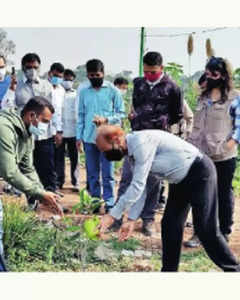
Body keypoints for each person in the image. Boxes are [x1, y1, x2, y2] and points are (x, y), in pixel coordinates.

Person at [97, 124, 240, 272]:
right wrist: (131, 219)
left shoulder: (140, 143)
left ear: (116, 139)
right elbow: (143, 186)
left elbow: (137, 186)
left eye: (105, 150)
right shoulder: (132, 155)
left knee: (205, 228)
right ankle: (169, 272)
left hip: (199, 172)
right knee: (170, 224)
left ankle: (234, 270)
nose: (105, 155)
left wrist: (112, 215)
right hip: (180, 180)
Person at [0, 96, 63, 271]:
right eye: (44, 121)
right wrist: (39, 193)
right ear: (31, 116)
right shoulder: (3, 128)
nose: (46, 126)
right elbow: (9, 172)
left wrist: (42, 193)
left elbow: (27, 168)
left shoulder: (26, 133)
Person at [111, 51, 183, 236]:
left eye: (153, 72)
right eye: (146, 71)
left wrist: (161, 124)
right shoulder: (139, 84)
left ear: (161, 68)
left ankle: (148, 219)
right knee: (127, 177)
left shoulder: (172, 87)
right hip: (136, 138)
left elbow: (177, 115)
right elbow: (136, 105)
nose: (149, 75)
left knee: (152, 182)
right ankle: (117, 218)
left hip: (158, 142)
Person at [185, 57, 239, 248]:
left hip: (223, 155)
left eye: (214, 74)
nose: (210, 77)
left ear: (224, 75)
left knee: (223, 194)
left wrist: (229, 145)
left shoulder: (234, 97)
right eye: (207, 73)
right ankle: (199, 233)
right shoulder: (203, 96)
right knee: (200, 194)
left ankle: (223, 232)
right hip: (201, 154)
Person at [76, 59, 125, 213]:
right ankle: (95, 202)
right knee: (92, 173)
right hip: (90, 138)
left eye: (97, 74)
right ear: (87, 75)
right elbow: (81, 115)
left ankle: (110, 203)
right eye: (91, 75)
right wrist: (79, 137)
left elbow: (121, 113)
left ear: (103, 73)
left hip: (109, 139)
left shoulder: (113, 91)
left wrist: (106, 120)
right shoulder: (84, 92)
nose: (94, 77)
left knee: (108, 174)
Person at [15, 53, 56, 196]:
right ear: (23, 68)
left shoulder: (46, 85)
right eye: (29, 67)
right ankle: (31, 196)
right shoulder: (16, 86)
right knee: (27, 166)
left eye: (35, 67)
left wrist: (55, 131)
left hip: (43, 133)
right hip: (24, 133)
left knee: (46, 165)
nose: (32, 70)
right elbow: (10, 106)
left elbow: (52, 110)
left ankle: (50, 193)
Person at [55, 68, 79, 190]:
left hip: (73, 131)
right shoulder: (56, 92)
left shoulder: (76, 94)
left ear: (73, 81)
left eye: (70, 80)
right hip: (59, 131)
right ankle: (59, 181)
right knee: (59, 157)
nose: (67, 82)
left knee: (74, 157)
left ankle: (76, 181)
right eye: (65, 79)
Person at [47, 62, 65, 190]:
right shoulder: (44, 87)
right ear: (50, 73)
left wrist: (59, 131)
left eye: (59, 76)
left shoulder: (62, 90)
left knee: (58, 157)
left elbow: (60, 112)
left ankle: (57, 184)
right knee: (47, 158)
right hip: (44, 129)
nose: (57, 78)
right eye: (55, 75)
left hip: (57, 129)